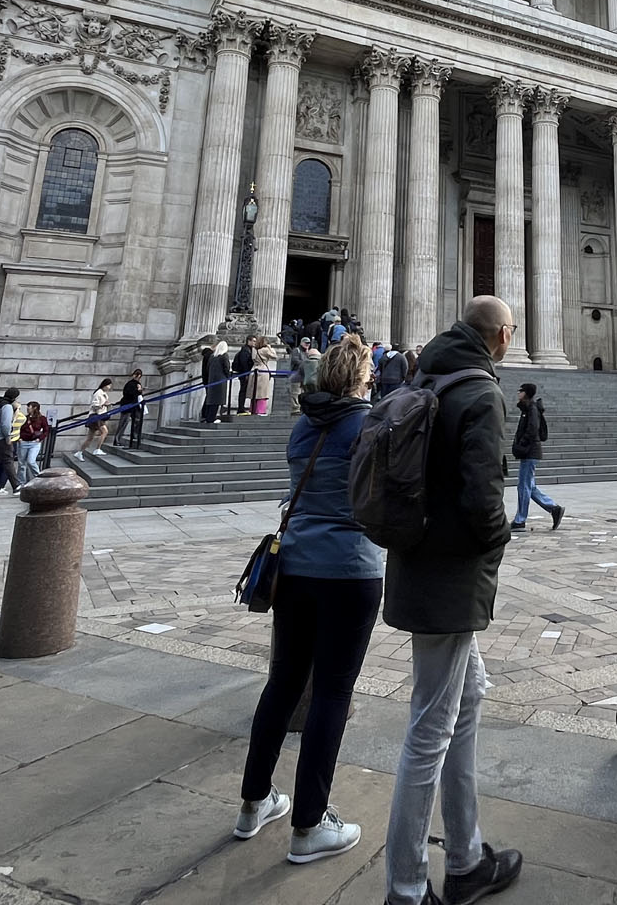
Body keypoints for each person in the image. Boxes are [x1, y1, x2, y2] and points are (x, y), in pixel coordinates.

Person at [381, 297, 524, 905]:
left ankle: (465, 858)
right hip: (450, 577)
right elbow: (481, 496)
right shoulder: (482, 394)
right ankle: (407, 888)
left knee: (468, 695)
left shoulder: (425, 378)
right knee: (428, 731)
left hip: (415, 560)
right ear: (502, 336)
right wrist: (497, 540)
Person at [234, 334, 385, 865]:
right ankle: (309, 824)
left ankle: (254, 803)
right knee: (331, 695)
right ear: (364, 376)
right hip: (349, 570)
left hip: (294, 567)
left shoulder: (302, 425)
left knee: (283, 683)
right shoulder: (367, 424)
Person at [509, 383, 564, 531]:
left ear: (525, 393)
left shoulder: (532, 408)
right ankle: (554, 508)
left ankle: (520, 520)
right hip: (530, 452)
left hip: (529, 452)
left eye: (520, 390)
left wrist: (522, 444)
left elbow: (532, 430)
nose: (518, 393)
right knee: (529, 486)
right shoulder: (527, 408)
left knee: (524, 486)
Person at [79, 379, 114, 459]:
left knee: (90, 437)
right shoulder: (98, 393)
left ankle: (80, 452)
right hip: (97, 416)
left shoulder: (103, 394)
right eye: (109, 385)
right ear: (105, 385)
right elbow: (94, 405)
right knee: (104, 431)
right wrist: (103, 404)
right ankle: (97, 449)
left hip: (99, 416)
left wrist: (107, 405)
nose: (109, 387)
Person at [18, 402, 51, 483]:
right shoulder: (25, 418)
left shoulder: (42, 418)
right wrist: (19, 438)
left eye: (29, 407)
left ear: (34, 408)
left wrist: (40, 439)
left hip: (34, 443)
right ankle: (21, 482)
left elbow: (46, 430)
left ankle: (39, 477)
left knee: (31, 461)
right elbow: (19, 428)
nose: (27, 408)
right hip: (24, 442)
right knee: (21, 464)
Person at [201, 346, 231, 426]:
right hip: (220, 381)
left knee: (211, 400)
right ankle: (211, 418)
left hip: (212, 380)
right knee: (217, 400)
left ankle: (208, 417)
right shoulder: (224, 356)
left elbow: (207, 369)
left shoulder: (212, 357)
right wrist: (228, 376)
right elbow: (226, 367)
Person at [119, 369, 145, 449]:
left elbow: (138, 394)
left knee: (137, 420)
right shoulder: (130, 384)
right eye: (136, 375)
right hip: (128, 405)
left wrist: (139, 391)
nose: (137, 377)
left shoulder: (137, 384)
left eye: (138, 376)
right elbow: (128, 393)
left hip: (135, 405)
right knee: (123, 423)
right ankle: (118, 439)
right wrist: (138, 391)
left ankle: (135, 435)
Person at [232, 337, 257, 414]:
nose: (254, 343)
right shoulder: (245, 350)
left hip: (245, 373)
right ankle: (241, 408)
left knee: (244, 390)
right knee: (243, 390)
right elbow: (244, 363)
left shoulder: (248, 350)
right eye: (253, 341)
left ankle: (242, 407)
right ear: (248, 341)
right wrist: (246, 373)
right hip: (244, 373)